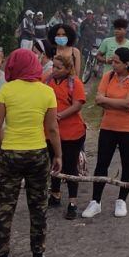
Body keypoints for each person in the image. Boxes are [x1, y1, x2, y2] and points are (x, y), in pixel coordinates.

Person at [0, 48, 61, 257]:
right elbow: (53, 128)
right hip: (37, 154)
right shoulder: (47, 92)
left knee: (6, 206)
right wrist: (58, 155)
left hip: (10, 154)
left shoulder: (6, 90)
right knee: (38, 208)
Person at [83, 47, 129, 219]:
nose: (113, 63)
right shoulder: (108, 76)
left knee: (127, 163)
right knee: (102, 163)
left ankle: (122, 200)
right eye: (113, 60)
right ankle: (95, 201)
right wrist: (120, 103)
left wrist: (108, 102)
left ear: (127, 64)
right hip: (108, 126)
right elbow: (98, 100)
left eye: (117, 61)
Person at [43, 54, 87, 220]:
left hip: (72, 133)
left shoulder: (75, 83)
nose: (54, 70)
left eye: (58, 67)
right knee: (54, 161)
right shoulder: (46, 80)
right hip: (50, 131)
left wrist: (58, 116)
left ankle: (73, 202)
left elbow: (77, 105)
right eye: (53, 66)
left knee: (70, 166)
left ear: (68, 69)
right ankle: (55, 194)